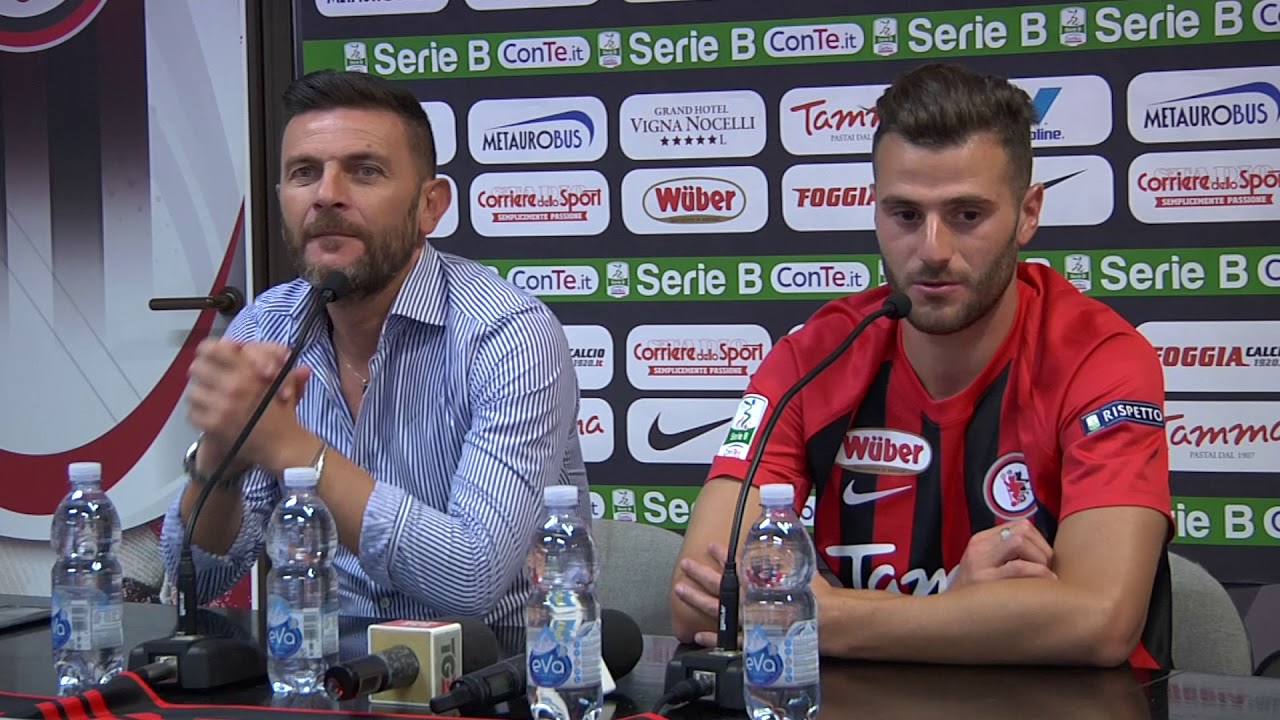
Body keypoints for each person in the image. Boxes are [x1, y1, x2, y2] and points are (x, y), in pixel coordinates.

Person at [671, 62, 1173, 668]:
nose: (933, 250)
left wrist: (820, 615)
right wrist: (962, 610)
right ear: (875, 209)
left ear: (1028, 213)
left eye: (968, 215)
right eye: (906, 215)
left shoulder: (1099, 357)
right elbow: (700, 599)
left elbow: (1100, 621)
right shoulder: (812, 356)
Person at [160, 70, 588, 626]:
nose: (326, 196)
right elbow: (196, 578)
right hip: (326, 660)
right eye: (304, 173)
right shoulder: (265, 327)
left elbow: (473, 579)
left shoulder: (509, 334)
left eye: (365, 171)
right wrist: (221, 455)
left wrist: (290, 448)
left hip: (500, 665)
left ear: (430, 206)